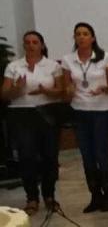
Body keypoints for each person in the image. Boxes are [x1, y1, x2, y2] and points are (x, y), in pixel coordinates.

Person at [3, 31, 65, 216]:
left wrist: (45, 90)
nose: (31, 45)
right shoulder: (14, 66)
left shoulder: (52, 65)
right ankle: (31, 197)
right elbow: (4, 95)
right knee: (27, 156)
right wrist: (17, 88)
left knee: (50, 156)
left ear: (42, 45)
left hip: (47, 113)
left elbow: (61, 91)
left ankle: (49, 195)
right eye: (27, 42)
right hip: (21, 114)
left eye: (35, 42)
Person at [61, 22, 108, 213]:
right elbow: (67, 87)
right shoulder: (68, 59)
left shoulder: (105, 57)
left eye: (85, 34)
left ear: (92, 38)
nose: (82, 37)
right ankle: (95, 195)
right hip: (79, 110)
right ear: (74, 38)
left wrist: (105, 88)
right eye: (78, 34)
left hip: (101, 110)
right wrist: (67, 90)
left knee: (101, 153)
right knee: (87, 155)